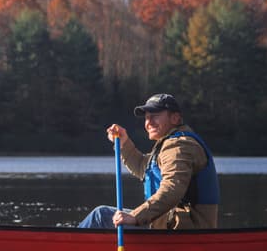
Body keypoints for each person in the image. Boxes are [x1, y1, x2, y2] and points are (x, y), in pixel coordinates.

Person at [80, 93, 218, 230]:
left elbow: (172, 189)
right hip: (170, 223)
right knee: (103, 215)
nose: (149, 122)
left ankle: (65, 247)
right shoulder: (170, 143)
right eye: (146, 117)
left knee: (101, 216)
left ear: (175, 118)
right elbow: (143, 167)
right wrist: (124, 143)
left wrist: (136, 216)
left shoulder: (179, 146)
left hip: (184, 230)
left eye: (155, 116)